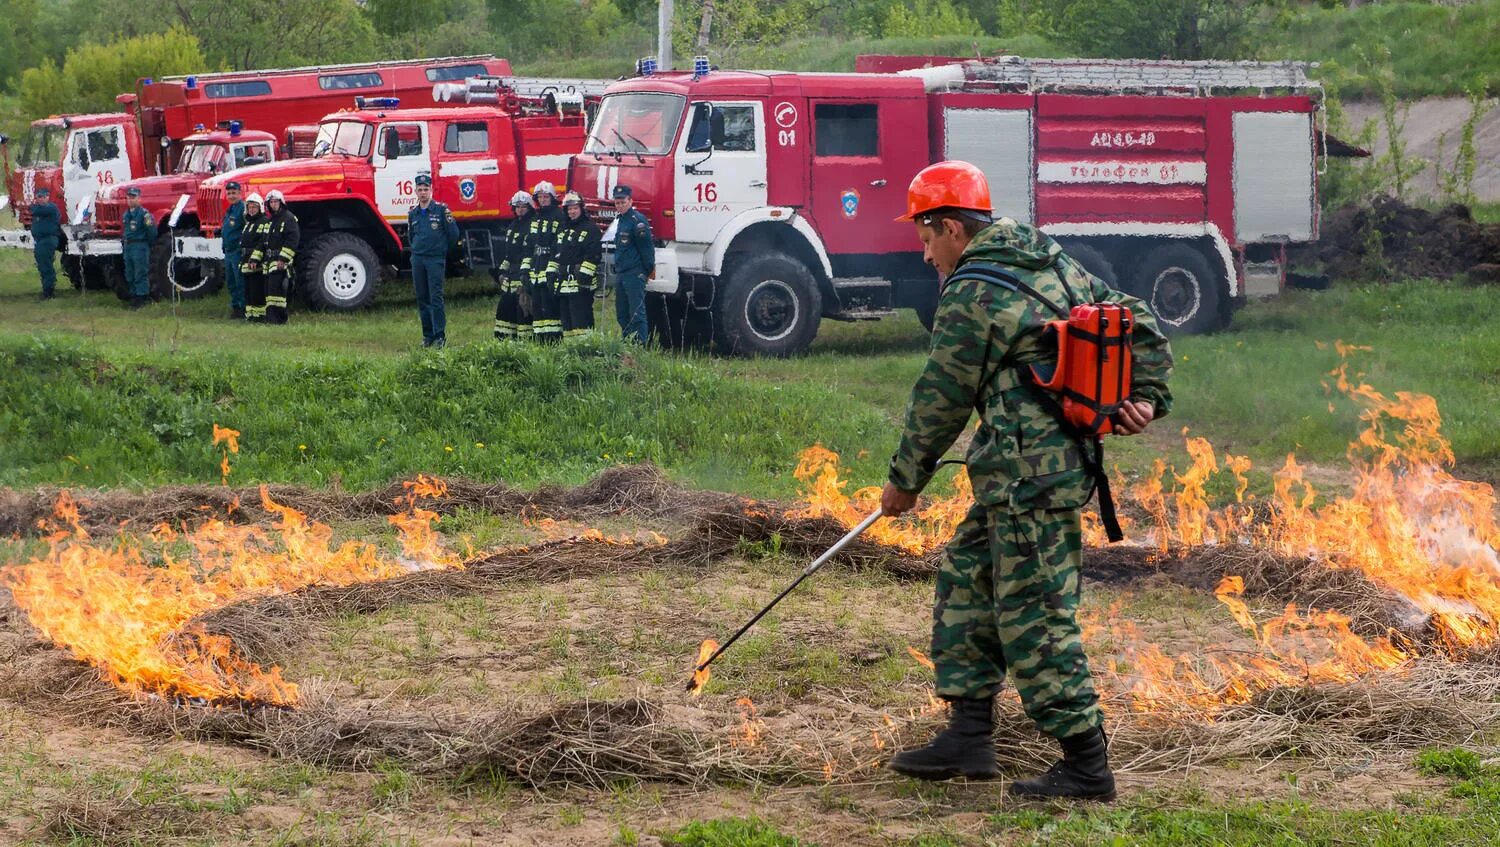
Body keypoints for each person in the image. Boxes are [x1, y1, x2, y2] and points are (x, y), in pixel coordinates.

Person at [880, 161, 1173, 801]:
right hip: (1017, 476)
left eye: (926, 238)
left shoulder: (972, 293)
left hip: (1028, 482)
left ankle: (1086, 765)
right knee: (969, 575)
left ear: (953, 228)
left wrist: (905, 481)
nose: (926, 254)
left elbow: (940, 397)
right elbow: (1137, 318)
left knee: (1037, 615)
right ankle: (968, 734)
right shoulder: (1047, 260)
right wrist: (1148, 394)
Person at [407, 173, 460, 348]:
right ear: (415, 191)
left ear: (431, 190)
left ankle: (439, 336)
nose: (423, 193)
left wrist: (442, 250)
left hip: (435, 260)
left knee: (435, 297)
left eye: (426, 189)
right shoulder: (413, 213)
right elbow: (411, 236)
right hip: (418, 260)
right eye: (420, 190)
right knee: (422, 298)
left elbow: (453, 234)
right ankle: (427, 336)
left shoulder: (441, 210)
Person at [610, 184, 653, 344]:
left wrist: (646, 271)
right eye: (617, 203)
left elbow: (647, 248)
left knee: (637, 313)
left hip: (635, 273)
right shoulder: (619, 221)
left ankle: (639, 346)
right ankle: (627, 343)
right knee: (622, 313)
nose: (620, 205)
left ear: (630, 201)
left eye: (623, 202)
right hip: (621, 273)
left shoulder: (637, 221)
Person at [557, 191, 602, 338]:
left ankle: (586, 348)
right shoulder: (563, 230)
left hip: (582, 282)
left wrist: (583, 275)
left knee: (581, 317)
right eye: (569, 209)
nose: (572, 211)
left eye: (575, 208)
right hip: (564, 282)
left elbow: (594, 255)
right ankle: (572, 351)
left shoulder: (591, 229)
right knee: (567, 319)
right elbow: (557, 252)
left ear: (582, 209)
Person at [527, 180, 566, 343]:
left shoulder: (559, 216)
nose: (543, 200)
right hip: (537, 265)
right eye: (540, 197)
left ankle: (553, 339)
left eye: (545, 197)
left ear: (552, 198)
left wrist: (553, 268)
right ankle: (540, 338)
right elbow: (531, 243)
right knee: (537, 304)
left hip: (550, 264)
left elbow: (559, 243)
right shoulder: (536, 217)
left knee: (549, 303)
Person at [493, 191, 534, 340]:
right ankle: (504, 341)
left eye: (524, 206)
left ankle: (525, 342)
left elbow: (529, 253)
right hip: (510, 277)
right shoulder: (512, 226)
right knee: (505, 310)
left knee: (523, 311)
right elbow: (507, 254)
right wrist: (501, 271)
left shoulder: (532, 225)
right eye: (517, 206)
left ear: (530, 207)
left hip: (522, 276)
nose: (520, 209)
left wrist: (524, 276)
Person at [262, 189, 299, 325]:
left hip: (280, 261)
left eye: (276, 202)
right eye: (271, 202)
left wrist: (283, 259)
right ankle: (271, 318)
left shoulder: (289, 218)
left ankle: (280, 319)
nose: (273, 204)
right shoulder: (271, 220)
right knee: (269, 292)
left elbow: (292, 240)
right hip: (269, 261)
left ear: (281, 203)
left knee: (278, 292)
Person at [121, 187, 155, 309]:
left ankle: (142, 297)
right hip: (128, 246)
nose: (130, 200)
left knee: (140, 273)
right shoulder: (126, 214)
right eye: (128, 197)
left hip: (139, 246)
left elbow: (151, 231)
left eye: (133, 197)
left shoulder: (144, 215)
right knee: (129, 273)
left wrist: (147, 245)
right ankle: (134, 295)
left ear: (139, 199)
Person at [28, 186, 61, 301]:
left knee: (46, 266)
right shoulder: (40, 209)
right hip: (40, 241)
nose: (41, 199)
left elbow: (33, 210)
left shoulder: (51, 208)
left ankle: (49, 292)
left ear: (48, 197)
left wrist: (31, 205)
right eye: (39, 197)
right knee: (43, 265)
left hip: (48, 240)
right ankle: (47, 290)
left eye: (43, 196)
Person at [220, 181, 247, 319]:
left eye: (234, 193)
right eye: (229, 193)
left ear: (239, 193)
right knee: (230, 282)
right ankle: (235, 307)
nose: (231, 195)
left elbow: (247, 229)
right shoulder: (230, 209)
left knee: (239, 281)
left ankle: (243, 309)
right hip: (228, 251)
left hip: (237, 251)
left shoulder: (243, 209)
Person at [240, 193, 268, 322]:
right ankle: (250, 314)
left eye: (254, 207)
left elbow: (262, 242)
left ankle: (259, 315)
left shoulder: (263, 222)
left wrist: (255, 259)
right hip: (246, 261)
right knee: (248, 290)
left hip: (256, 263)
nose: (251, 210)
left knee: (257, 290)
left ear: (260, 208)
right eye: (249, 207)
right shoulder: (249, 223)